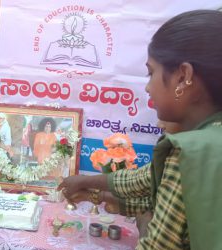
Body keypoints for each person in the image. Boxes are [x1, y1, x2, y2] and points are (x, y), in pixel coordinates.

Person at [59, 10, 222, 249]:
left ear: (183, 77)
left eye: (151, 72)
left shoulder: (192, 152)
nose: (147, 87)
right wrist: (92, 188)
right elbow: (150, 182)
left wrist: (145, 222)